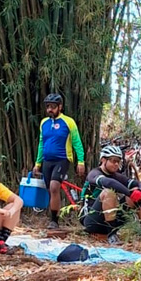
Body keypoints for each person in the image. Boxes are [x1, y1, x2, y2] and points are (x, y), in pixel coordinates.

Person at [32, 93, 85, 229]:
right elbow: (41, 143)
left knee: (55, 186)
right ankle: (54, 216)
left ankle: (54, 221)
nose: (50, 109)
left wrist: (81, 161)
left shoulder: (68, 122)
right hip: (47, 160)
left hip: (62, 159)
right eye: (48, 106)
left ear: (60, 107)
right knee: (50, 190)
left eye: (53, 106)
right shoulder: (44, 122)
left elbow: (77, 142)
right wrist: (38, 163)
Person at [81, 145, 141, 244]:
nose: (116, 164)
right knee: (109, 192)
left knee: (140, 194)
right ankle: (112, 235)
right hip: (92, 220)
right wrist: (129, 193)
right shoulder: (94, 173)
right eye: (113, 161)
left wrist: (139, 190)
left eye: (119, 161)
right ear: (103, 160)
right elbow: (109, 183)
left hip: (112, 218)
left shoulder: (117, 176)